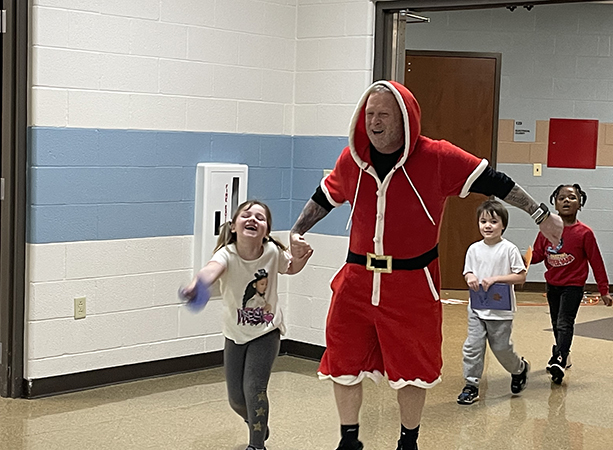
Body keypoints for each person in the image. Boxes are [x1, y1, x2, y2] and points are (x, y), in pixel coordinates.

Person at [288, 80, 563, 450]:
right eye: (369, 114)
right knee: (342, 359)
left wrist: (540, 212)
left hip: (412, 284)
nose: (374, 122)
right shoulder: (353, 159)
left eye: (384, 114)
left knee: (413, 368)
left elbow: (495, 181)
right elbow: (325, 195)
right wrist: (296, 231)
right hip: (356, 279)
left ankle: (408, 441)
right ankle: (349, 440)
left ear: (404, 120)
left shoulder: (437, 157)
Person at [182, 200, 312, 450]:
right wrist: (196, 284)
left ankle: (256, 445)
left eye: (260, 218)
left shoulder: (272, 252)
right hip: (234, 334)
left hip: (266, 332)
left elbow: (291, 267)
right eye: (246, 215)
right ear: (233, 226)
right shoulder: (226, 254)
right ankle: (257, 423)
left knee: (255, 389)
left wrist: (300, 257)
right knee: (236, 400)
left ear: (266, 231)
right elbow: (210, 270)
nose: (253, 219)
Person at [530, 184, 613, 386]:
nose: (566, 201)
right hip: (553, 285)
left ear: (580, 203)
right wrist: (517, 259)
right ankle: (562, 352)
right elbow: (539, 255)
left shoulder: (584, 233)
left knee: (565, 322)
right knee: (556, 323)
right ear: (555, 203)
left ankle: (558, 358)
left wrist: (604, 290)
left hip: (573, 286)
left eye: (572, 198)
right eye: (561, 198)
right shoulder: (547, 230)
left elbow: (596, 261)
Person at [457, 199, 529, 406]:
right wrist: (469, 276)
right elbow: (468, 270)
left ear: (503, 225)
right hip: (477, 308)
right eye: (483, 221)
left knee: (501, 348)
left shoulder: (509, 249)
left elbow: (520, 277)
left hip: (500, 311)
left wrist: (497, 279)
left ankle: (519, 368)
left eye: (493, 222)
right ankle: (471, 385)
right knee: (472, 346)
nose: (487, 226)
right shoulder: (474, 249)